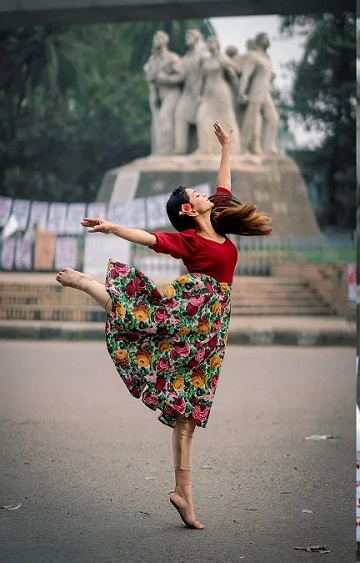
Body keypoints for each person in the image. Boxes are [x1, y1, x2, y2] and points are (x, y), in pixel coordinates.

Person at [55, 121, 273, 528]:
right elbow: (151, 239)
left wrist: (227, 145)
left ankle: (183, 493)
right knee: (139, 319)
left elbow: (224, 182)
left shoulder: (220, 217)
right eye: (197, 195)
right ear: (190, 211)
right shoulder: (189, 240)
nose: (206, 194)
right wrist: (112, 227)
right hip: (192, 306)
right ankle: (87, 284)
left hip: (213, 327)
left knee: (190, 405)